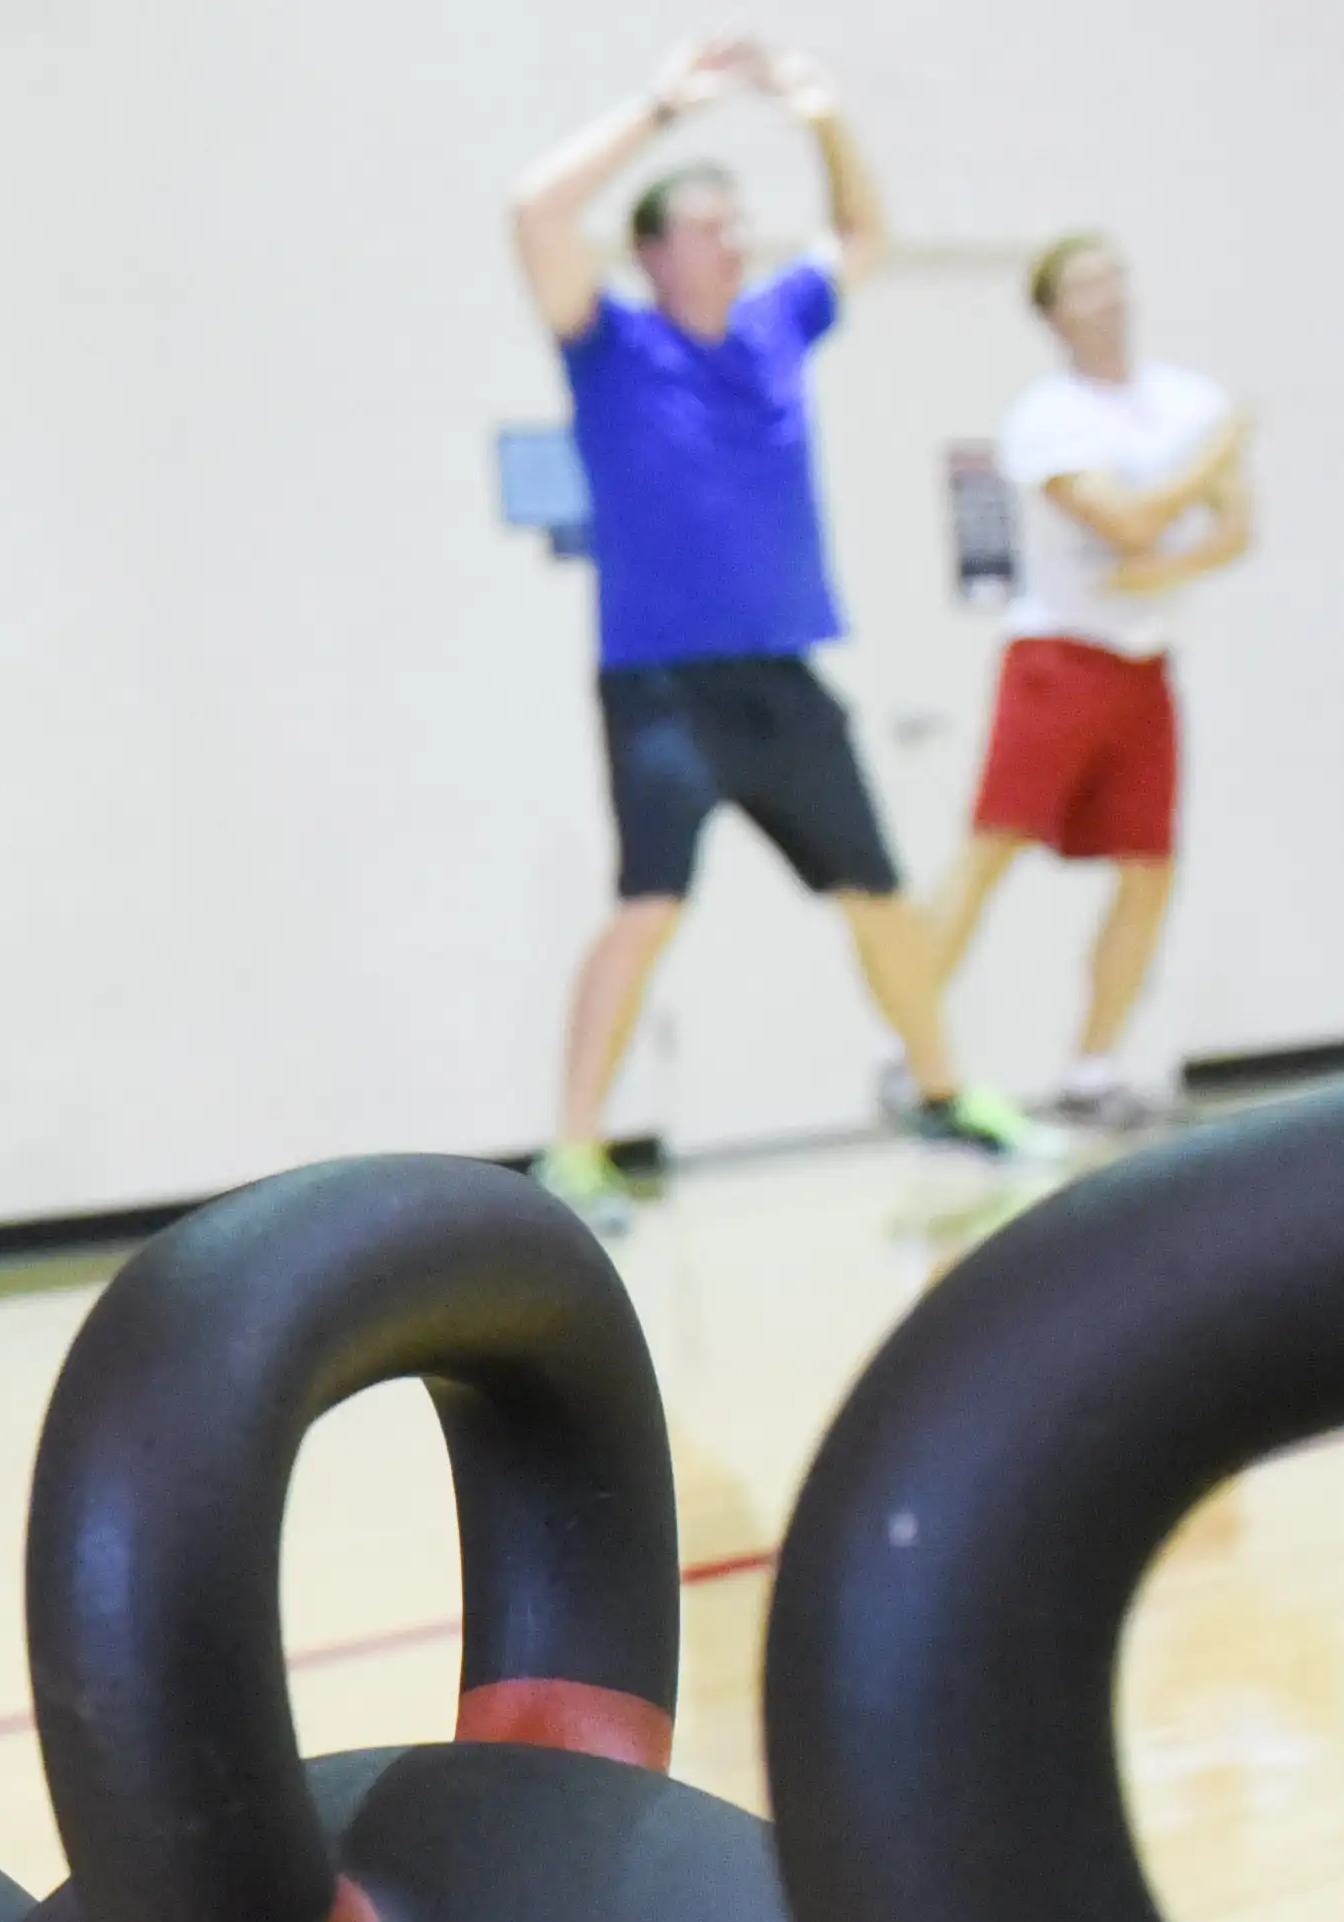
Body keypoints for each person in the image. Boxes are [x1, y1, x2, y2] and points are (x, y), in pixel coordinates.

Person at [512, 35, 1043, 1231]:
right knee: (647, 904)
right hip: (658, 686)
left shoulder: (777, 325)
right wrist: (660, 106)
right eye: (709, 223)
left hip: (783, 680)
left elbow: (861, 236)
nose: (735, 240)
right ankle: (577, 1152)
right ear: (652, 253)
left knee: (880, 899)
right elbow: (533, 207)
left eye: (740, 222)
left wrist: (822, 117)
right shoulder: (611, 346)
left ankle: (947, 1094)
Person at [914, 232, 1251, 1132]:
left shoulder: (1185, 398)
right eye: (1084, 284)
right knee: (991, 850)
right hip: (1058, 658)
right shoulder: (1049, 419)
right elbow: (1135, 523)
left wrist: (1164, 554)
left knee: (1149, 868)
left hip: (1145, 662)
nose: (1108, 295)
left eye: (1115, 277)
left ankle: (1094, 1071)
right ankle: (913, 1051)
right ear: (1054, 310)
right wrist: (1213, 463)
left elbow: (1235, 531)